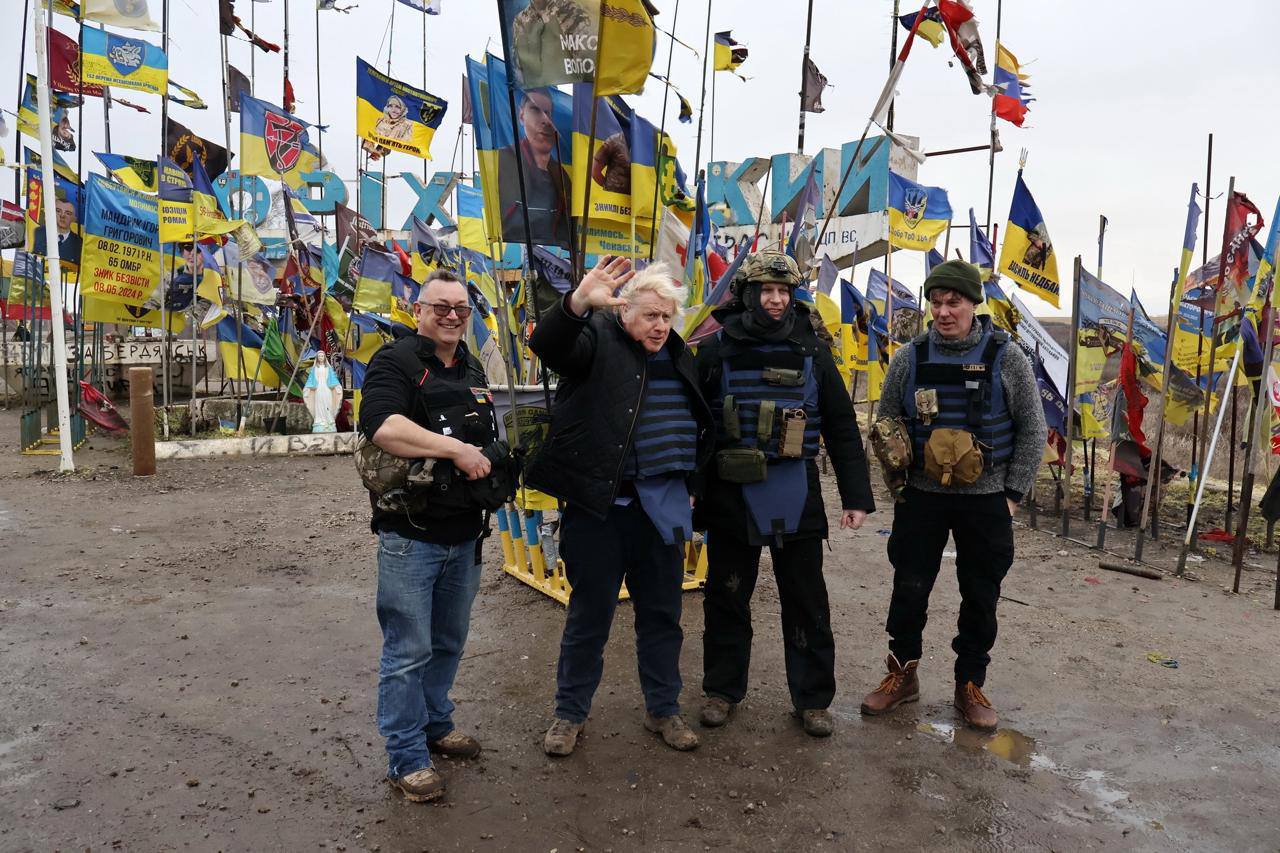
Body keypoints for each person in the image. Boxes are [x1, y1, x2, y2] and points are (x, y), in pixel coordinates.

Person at [526, 258, 714, 757]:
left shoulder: (681, 356)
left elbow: (704, 424)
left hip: (662, 511)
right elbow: (548, 345)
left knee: (662, 618)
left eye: (666, 317)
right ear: (624, 311)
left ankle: (663, 710)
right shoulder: (595, 341)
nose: (659, 325)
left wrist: (694, 485)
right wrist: (575, 304)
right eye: (650, 315)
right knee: (589, 618)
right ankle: (569, 714)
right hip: (599, 509)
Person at [860, 259, 1047, 731]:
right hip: (921, 497)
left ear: (973, 304)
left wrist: (1012, 495)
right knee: (909, 586)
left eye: (954, 302)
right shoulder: (909, 357)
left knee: (981, 593)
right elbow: (886, 424)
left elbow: (1033, 429)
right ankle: (902, 674)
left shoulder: (1007, 357)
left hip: (987, 499)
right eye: (936, 303)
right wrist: (898, 485)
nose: (944, 312)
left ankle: (970, 685)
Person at [695, 250, 875, 738]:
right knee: (727, 595)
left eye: (783, 291)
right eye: (766, 291)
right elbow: (696, 426)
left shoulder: (812, 350)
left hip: (796, 489)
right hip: (731, 493)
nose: (775, 300)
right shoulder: (715, 348)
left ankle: (812, 700)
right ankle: (721, 691)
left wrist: (856, 497)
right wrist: (692, 492)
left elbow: (841, 425)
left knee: (806, 598)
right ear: (748, 294)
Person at [358, 269, 499, 803]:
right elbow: (382, 426)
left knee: (448, 641)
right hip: (411, 536)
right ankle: (406, 756)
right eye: (440, 307)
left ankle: (437, 723)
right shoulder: (395, 361)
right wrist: (455, 450)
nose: (452, 316)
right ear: (418, 311)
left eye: (460, 308)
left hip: (465, 533)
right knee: (408, 650)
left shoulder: (472, 366)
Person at [496, 88, 571, 247]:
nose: (545, 120)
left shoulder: (562, 176)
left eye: (547, 113)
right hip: (510, 251)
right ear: (521, 115)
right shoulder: (502, 160)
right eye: (535, 110)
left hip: (554, 256)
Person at [510, 0, 595, 89]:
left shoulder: (569, 9)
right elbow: (517, 61)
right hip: (538, 87)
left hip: (570, 85)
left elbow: (586, 52)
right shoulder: (520, 20)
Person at [304, 350, 342, 432]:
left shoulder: (328, 368)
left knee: (328, 403)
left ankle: (329, 421)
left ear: (324, 357)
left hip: (327, 388)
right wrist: (307, 389)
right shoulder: (314, 369)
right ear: (317, 358)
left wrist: (337, 387)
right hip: (318, 389)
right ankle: (320, 422)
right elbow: (310, 380)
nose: (321, 357)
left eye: (322, 356)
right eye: (319, 356)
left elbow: (333, 379)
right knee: (319, 404)